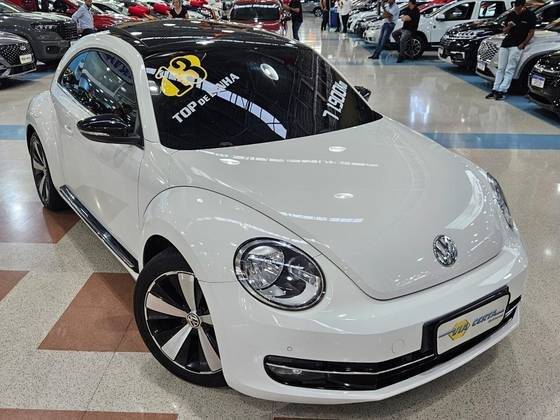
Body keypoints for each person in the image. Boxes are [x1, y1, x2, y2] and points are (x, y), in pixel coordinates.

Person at [485, 0, 536, 100]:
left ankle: (502, 90)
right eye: (515, 7)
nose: (516, 10)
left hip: (517, 46)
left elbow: (531, 32)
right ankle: (495, 89)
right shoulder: (511, 14)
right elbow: (504, 31)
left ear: (523, 6)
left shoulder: (530, 15)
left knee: (510, 69)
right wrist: (509, 26)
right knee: (501, 68)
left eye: (518, 8)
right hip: (506, 44)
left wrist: (523, 44)